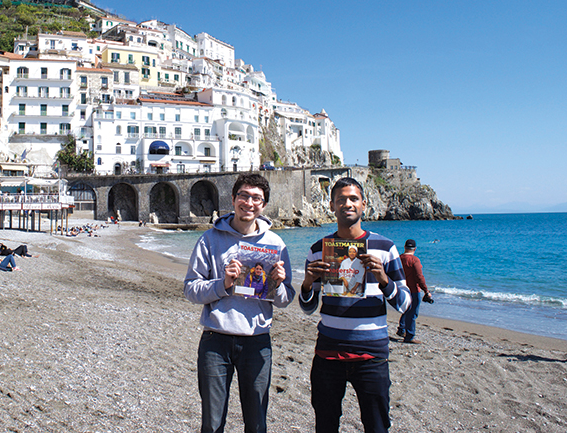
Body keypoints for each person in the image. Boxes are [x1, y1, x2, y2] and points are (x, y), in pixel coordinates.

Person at [184, 173, 295, 433]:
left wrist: (278, 285)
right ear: (233, 200)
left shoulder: (276, 244)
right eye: (243, 195)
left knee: (256, 423)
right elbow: (190, 289)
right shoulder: (209, 239)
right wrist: (223, 284)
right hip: (215, 340)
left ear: (264, 205)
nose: (249, 202)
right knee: (212, 423)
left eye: (257, 198)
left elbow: (285, 300)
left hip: (257, 340)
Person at [299, 177, 411, 433]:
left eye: (353, 199)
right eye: (341, 200)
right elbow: (307, 308)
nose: (347, 204)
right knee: (325, 426)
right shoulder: (319, 249)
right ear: (331, 206)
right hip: (328, 353)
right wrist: (307, 284)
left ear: (364, 204)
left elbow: (404, 304)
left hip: (371, 355)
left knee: (377, 426)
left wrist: (383, 279)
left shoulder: (385, 248)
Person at [396, 239, 433, 344]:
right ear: (415, 249)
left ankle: (402, 329)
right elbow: (419, 276)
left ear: (404, 247)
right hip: (413, 289)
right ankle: (409, 336)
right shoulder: (414, 260)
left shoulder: (399, 258)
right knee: (412, 313)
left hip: (402, 288)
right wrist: (426, 290)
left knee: (406, 309)